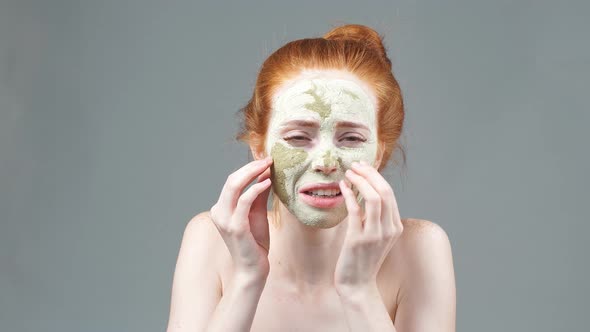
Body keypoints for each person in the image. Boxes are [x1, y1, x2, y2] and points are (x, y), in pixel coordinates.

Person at [166, 24, 456, 332]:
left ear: (379, 153)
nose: (327, 163)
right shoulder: (210, 241)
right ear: (259, 148)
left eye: (351, 139)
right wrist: (246, 278)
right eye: (298, 137)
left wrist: (359, 291)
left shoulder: (419, 250)